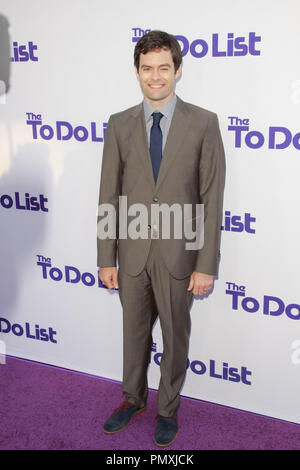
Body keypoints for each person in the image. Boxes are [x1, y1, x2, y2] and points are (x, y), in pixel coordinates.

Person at [97, 30, 225, 447]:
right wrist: (106, 257)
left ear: (177, 70)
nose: (156, 77)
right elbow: (108, 195)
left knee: (175, 337)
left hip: (179, 255)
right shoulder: (118, 125)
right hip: (131, 253)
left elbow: (211, 196)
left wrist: (206, 264)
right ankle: (132, 399)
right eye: (147, 69)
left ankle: (167, 409)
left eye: (164, 68)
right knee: (133, 334)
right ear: (137, 72)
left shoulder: (204, 122)